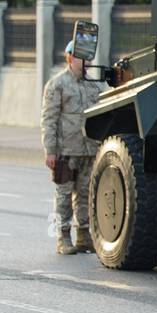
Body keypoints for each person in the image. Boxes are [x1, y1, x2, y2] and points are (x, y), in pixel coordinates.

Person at [41, 39, 106, 255]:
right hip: (65, 151)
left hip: (89, 149)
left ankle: (84, 236)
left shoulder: (95, 84)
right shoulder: (57, 84)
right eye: (80, 57)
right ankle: (62, 236)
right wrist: (50, 150)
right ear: (69, 58)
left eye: (88, 58)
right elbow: (49, 119)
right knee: (63, 196)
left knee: (86, 194)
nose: (85, 62)